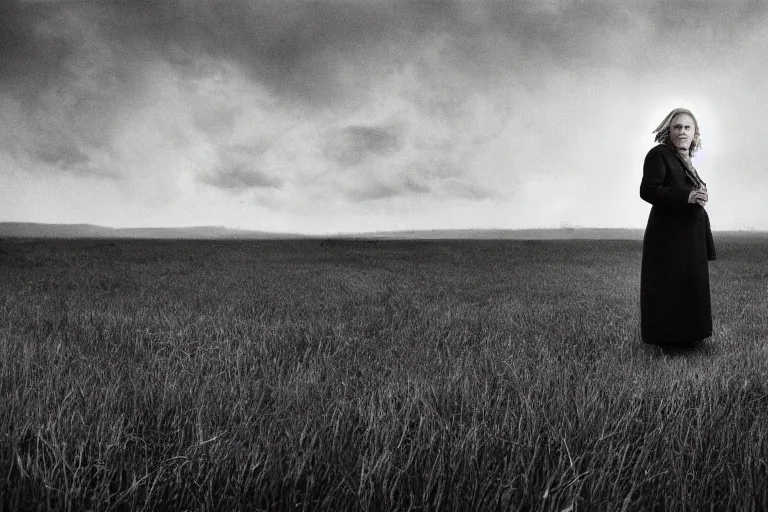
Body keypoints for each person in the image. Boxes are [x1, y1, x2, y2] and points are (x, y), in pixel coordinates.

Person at [639, 107, 716, 345]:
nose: (682, 132)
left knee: (691, 285)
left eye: (687, 127)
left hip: (690, 234)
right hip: (669, 236)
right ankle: (668, 343)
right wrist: (687, 197)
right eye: (677, 127)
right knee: (669, 287)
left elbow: (687, 190)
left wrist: (700, 195)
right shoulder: (659, 154)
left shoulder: (685, 159)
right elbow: (648, 190)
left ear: (695, 133)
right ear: (668, 131)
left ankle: (691, 339)